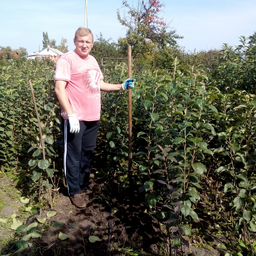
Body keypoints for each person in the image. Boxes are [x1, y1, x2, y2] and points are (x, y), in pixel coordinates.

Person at [54, 27, 134, 208]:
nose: (84, 45)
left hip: (92, 117)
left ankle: (83, 185)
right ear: (75, 42)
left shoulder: (93, 60)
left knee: (87, 153)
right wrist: (71, 114)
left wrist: (121, 86)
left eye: (87, 42)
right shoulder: (67, 59)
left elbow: (98, 84)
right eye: (81, 41)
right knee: (73, 155)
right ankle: (74, 191)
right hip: (75, 118)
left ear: (92, 44)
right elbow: (59, 88)